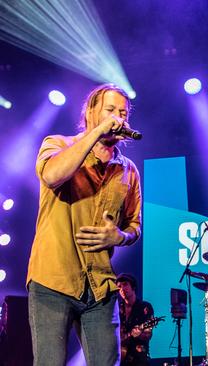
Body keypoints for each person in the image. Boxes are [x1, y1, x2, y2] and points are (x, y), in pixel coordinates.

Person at [26, 84, 142, 366]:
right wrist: (94, 136)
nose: (118, 118)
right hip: (54, 279)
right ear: (91, 112)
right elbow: (53, 175)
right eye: (111, 110)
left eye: (123, 113)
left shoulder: (127, 170)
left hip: (101, 287)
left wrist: (120, 236)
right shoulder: (58, 144)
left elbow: (135, 226)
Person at [116, 274, 155, 366]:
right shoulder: (117, 308)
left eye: (125, 284)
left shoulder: (145, 307)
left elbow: (148, 335)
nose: (122, 289)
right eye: (119, 287)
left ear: (133, 287)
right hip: (119, 356)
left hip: (138, 357)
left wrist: (138, 333)